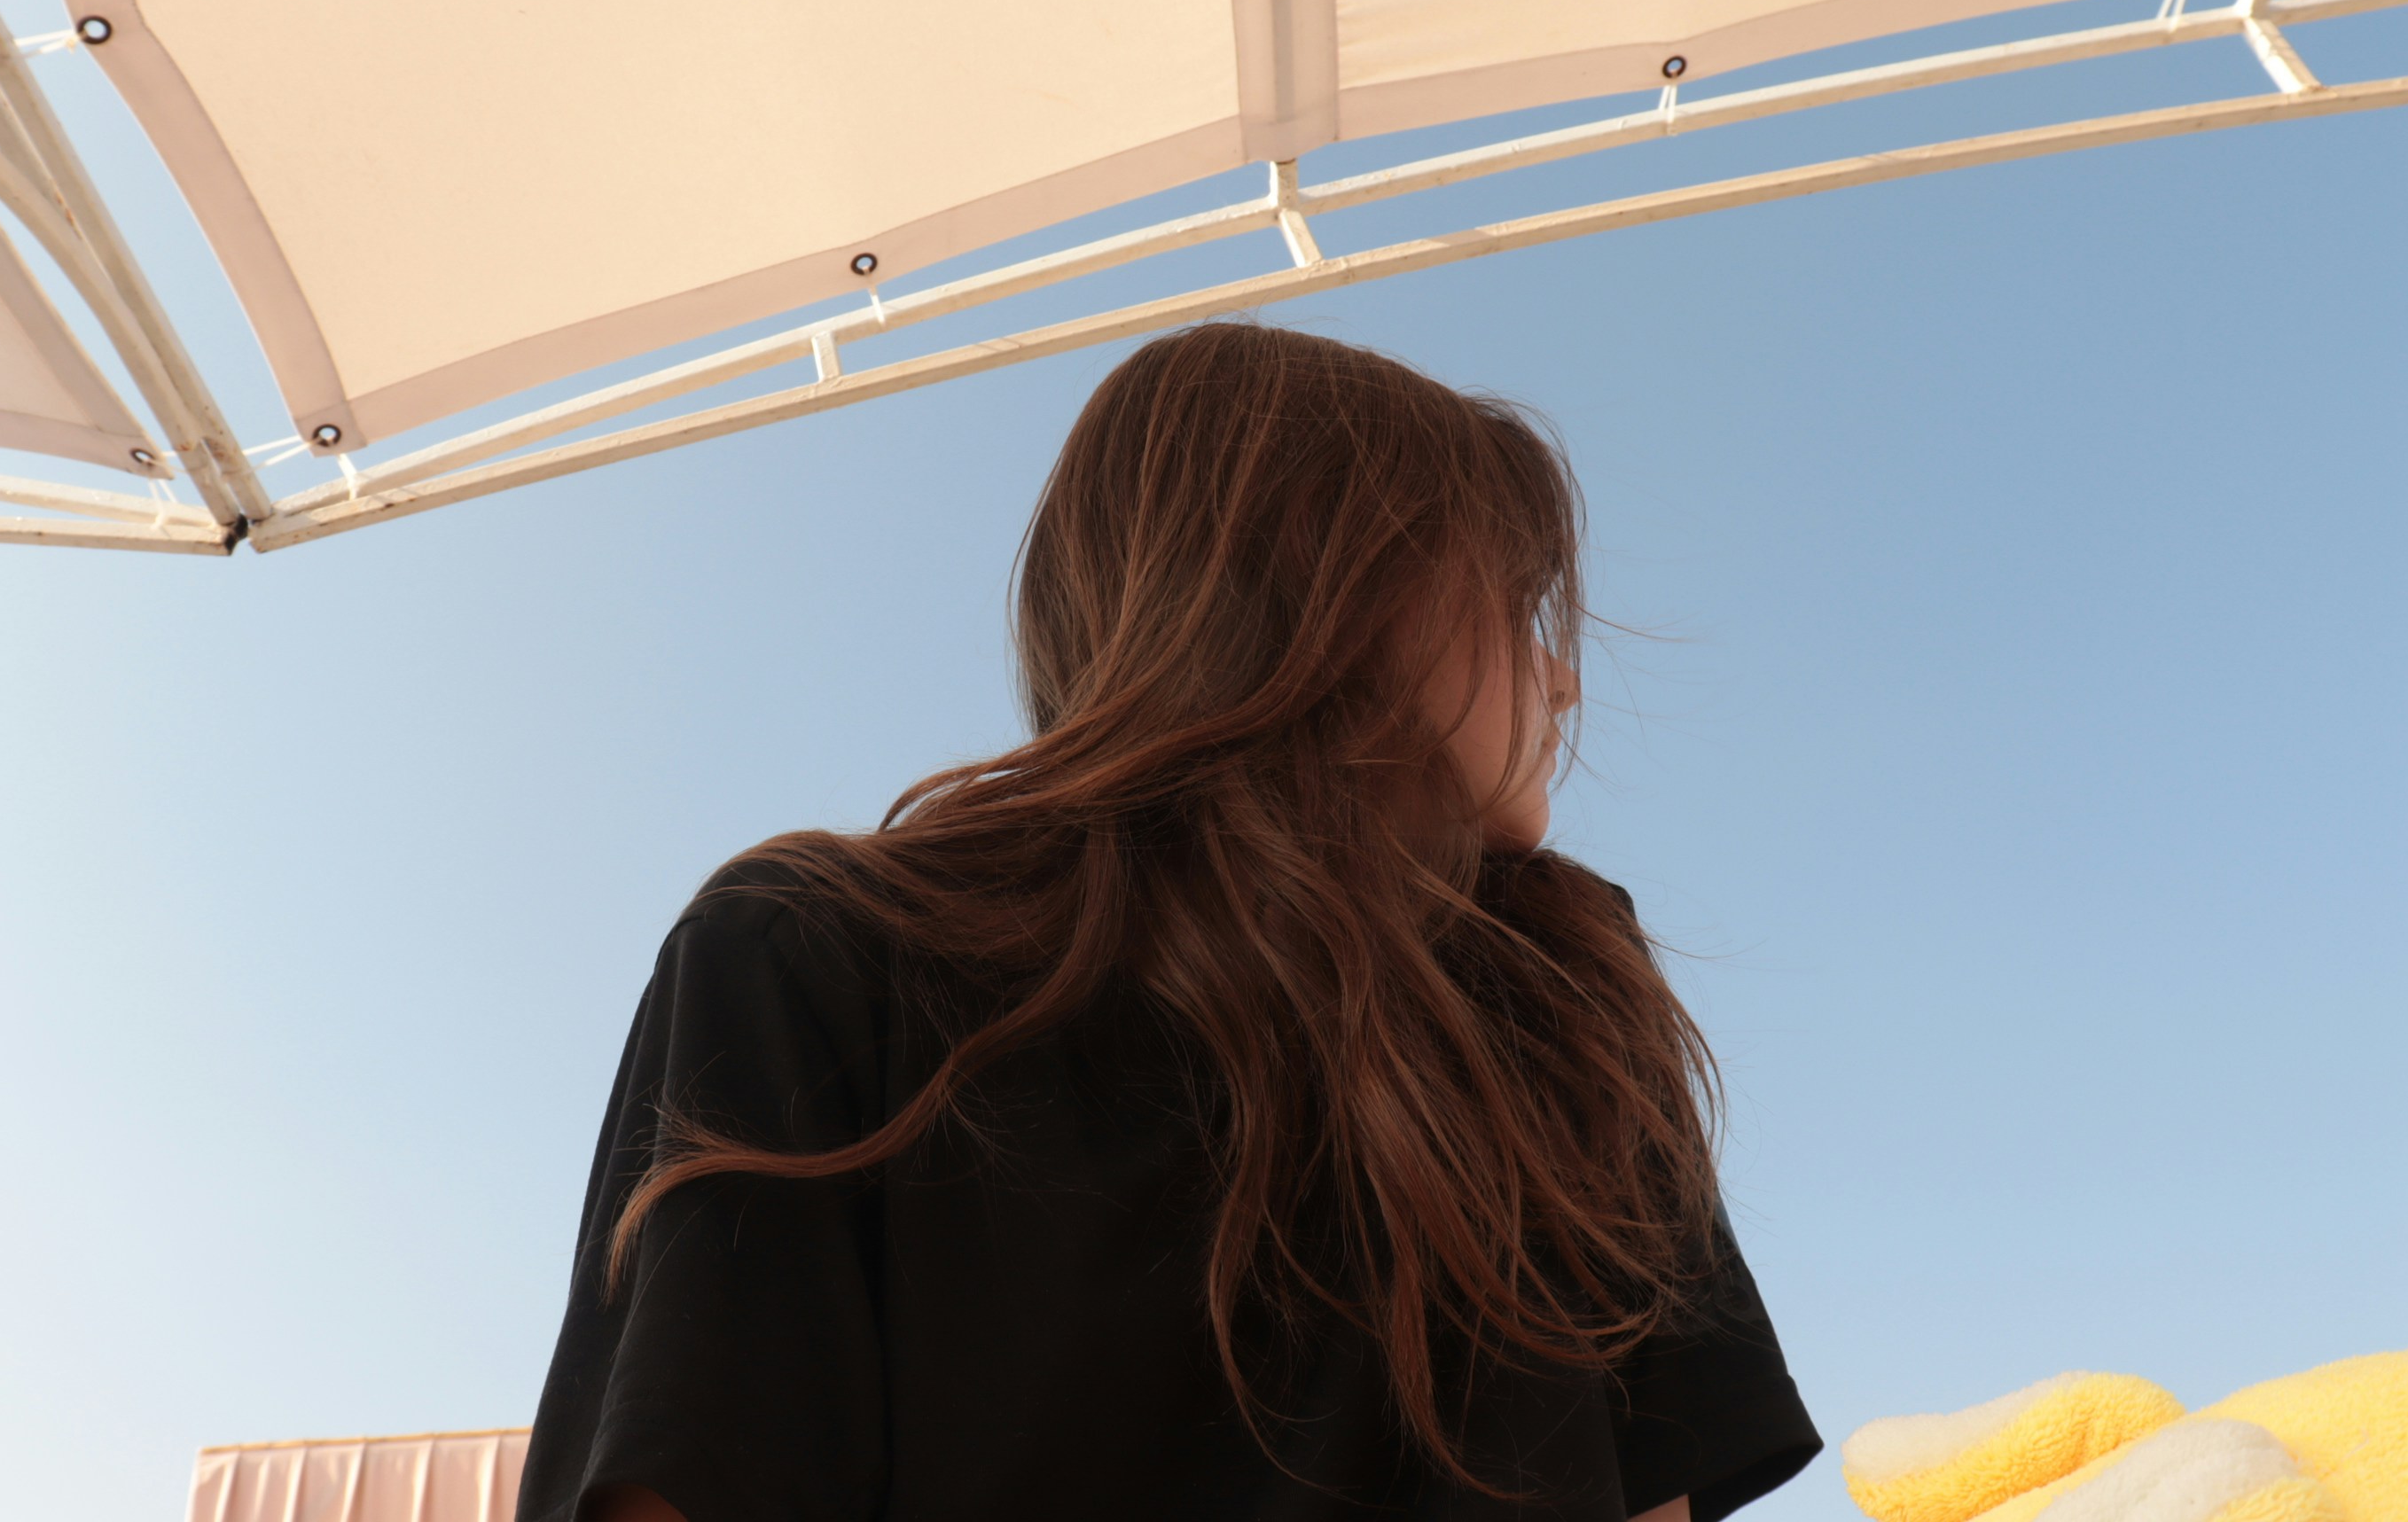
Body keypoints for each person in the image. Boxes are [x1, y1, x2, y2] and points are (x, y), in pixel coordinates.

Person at [518, 322, 1820, 1521]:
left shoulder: (1568, 996)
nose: (1565, 678)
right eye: (1519, 603)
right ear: (1342, 589)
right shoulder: (814, 956)